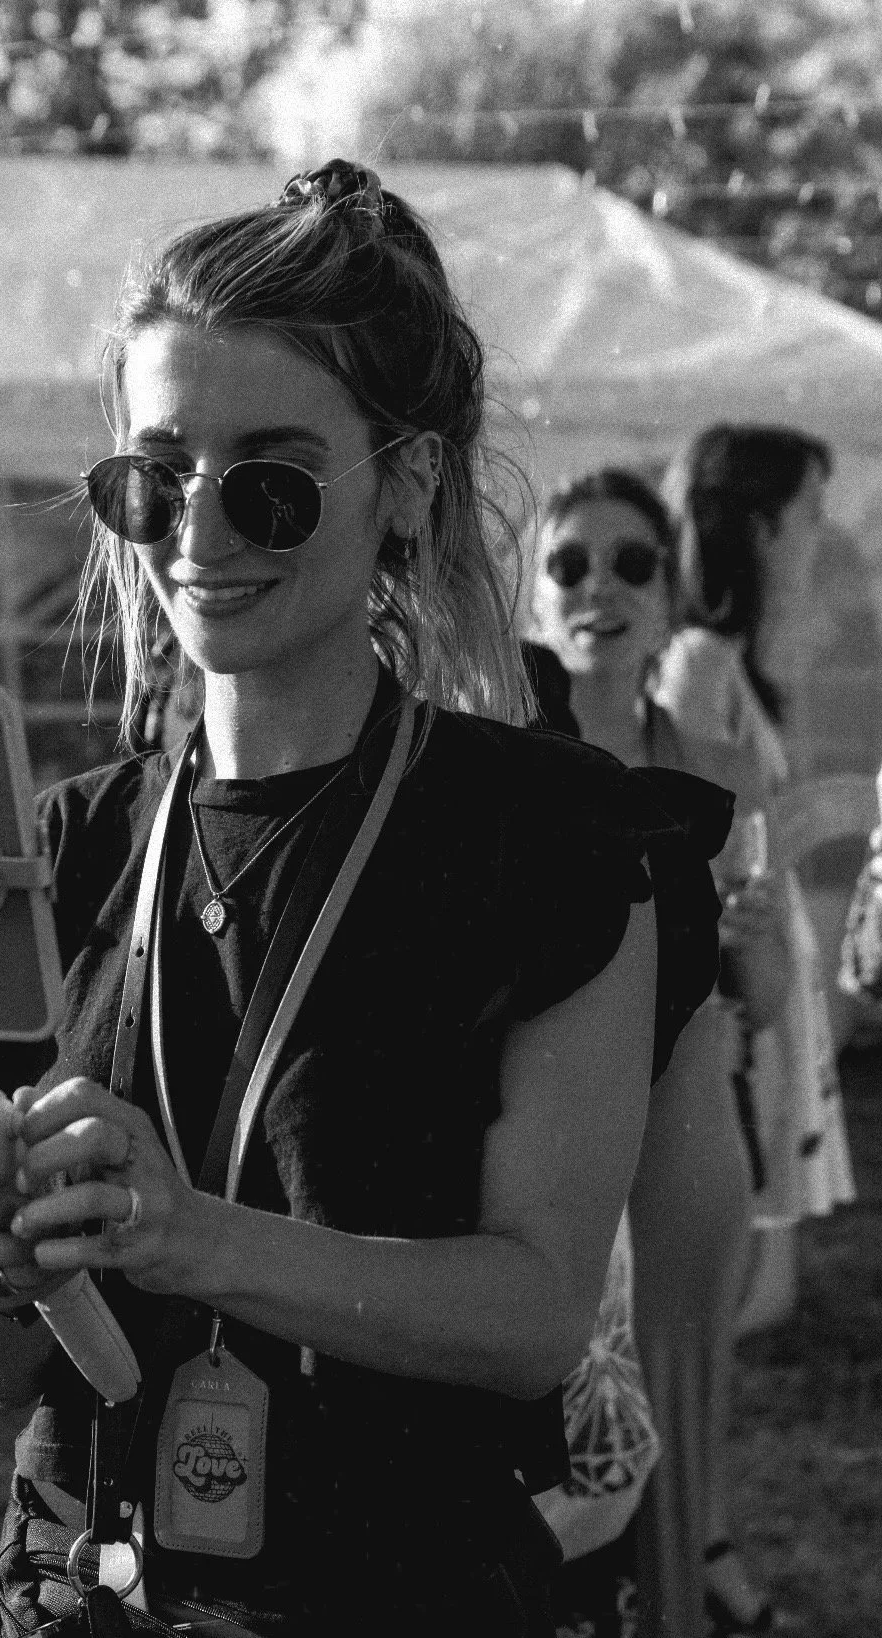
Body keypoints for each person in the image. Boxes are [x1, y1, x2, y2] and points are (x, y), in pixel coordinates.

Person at [0, 162, 728, 1638]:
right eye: (154, 478)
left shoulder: (551, 841)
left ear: (405, 483)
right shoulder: (67, 850)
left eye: (271, 479)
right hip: (87, 1588)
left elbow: (538, 1313)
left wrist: (187, 1236)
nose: (200, 533)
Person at [525, 468, 791, 1638]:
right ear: (533, 599)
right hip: (538, 1151)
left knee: (673, 1431)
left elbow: (773, 1002)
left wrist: (745, 941)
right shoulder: (493, 759)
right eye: (569, 564)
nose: (600, 587)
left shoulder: (724, 771)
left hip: (684, 1143)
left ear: (671, 592)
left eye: (633, 562)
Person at [657, 427, 856, 1575]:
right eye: (814, 507)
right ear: (763, 523)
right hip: (729, 1008)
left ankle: (696, 1523)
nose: (823, 532)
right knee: (725, 1294)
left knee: (754, 1288)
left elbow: (758, 829)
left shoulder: (734, 661)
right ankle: (678, 1523)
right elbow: (706, 846)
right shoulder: (693, 666)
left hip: (769, 995)